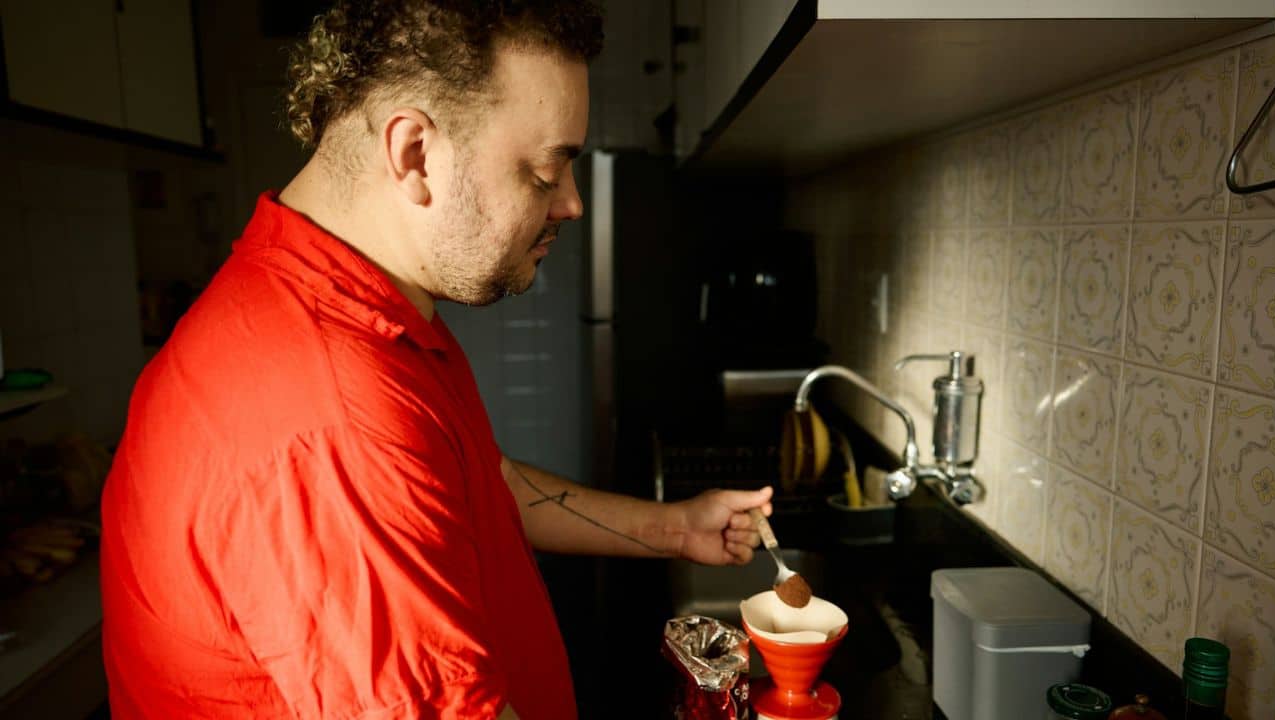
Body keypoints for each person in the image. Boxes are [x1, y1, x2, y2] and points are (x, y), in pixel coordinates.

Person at [99, 1, 773, 718]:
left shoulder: (358, 302)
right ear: (414, 153)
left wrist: (674, 528)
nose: (571, 204)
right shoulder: (331, 415)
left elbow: (484, 482)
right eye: (547, 171)